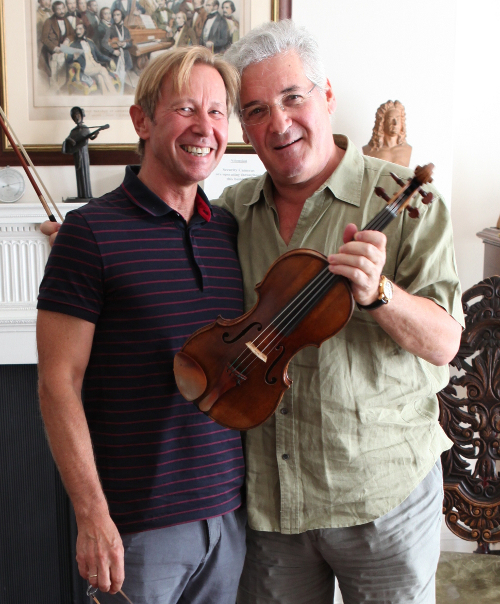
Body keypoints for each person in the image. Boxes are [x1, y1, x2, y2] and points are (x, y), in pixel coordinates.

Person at [216, 20, 463, 604]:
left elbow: (446, 343)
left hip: (382, 498)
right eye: (255, 110)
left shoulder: (410, 200)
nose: (277, 123)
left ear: (327, 97)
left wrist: (381, 295)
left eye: (293, 97)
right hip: (274, 505)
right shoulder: (231, 212)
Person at [37, 46, 246, 604]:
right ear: (142, 120)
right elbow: (58, 383)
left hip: (231, 518)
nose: (205, 127)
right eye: (185, 109)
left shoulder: (229, 232)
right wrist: (92, 516)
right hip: (137, 529)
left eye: (218, 112)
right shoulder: (90, 233)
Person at [61, 106, 105, 199]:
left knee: (85, 172)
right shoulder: (73, 131)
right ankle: (81, 195)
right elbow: (68, 140)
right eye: (74, 116)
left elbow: (91, 138)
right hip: (76, 154)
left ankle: (86, 194)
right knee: (79, 173)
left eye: (78, 115)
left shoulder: (85, 129)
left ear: (81, 115)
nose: (76, 118)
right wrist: (69, 140)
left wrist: (96, 134)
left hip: (84, 154)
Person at [67, 21, 118, 95]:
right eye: (77, 29)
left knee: (100, 77)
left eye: (80, 29)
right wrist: (74, 58)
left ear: (84, 30)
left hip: (95, 66)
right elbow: (68, 61)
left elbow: (99, 55)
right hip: (85, 69)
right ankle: (114, 94)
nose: (78, 31)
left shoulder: (90, 42)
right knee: (103, 69)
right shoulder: (73, 45)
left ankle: (106, 98)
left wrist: (110, 59)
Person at [363, 99, 413, 167]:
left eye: (398, 119)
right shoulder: (368, 150)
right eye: (390, 119)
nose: (395, 123)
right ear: (382, 122)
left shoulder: (408, 149)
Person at [39, 1, 75, 91]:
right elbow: (44, 38)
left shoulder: (66, 20)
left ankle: (63, 86)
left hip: (64, 49)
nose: (62, 11)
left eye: (63, 8)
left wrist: (67, 39)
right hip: (51, 51)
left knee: (78, 55)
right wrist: (55, 48)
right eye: (58, 9)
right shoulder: (49, 21)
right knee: (57, 63)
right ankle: (54, 89)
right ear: (54, 10)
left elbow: (72, 34)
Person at [102, 8, 133, 89]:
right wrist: (113, 51)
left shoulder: (126, 30)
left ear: (122, 16)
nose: (115, 17)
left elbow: (130, 43)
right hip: (115, 58)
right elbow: (104, 43)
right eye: (114, 15)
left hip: (124, 58)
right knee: (115, 80)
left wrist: (124, 44)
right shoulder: (110, 29)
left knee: (122, 79)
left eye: (118, 15)